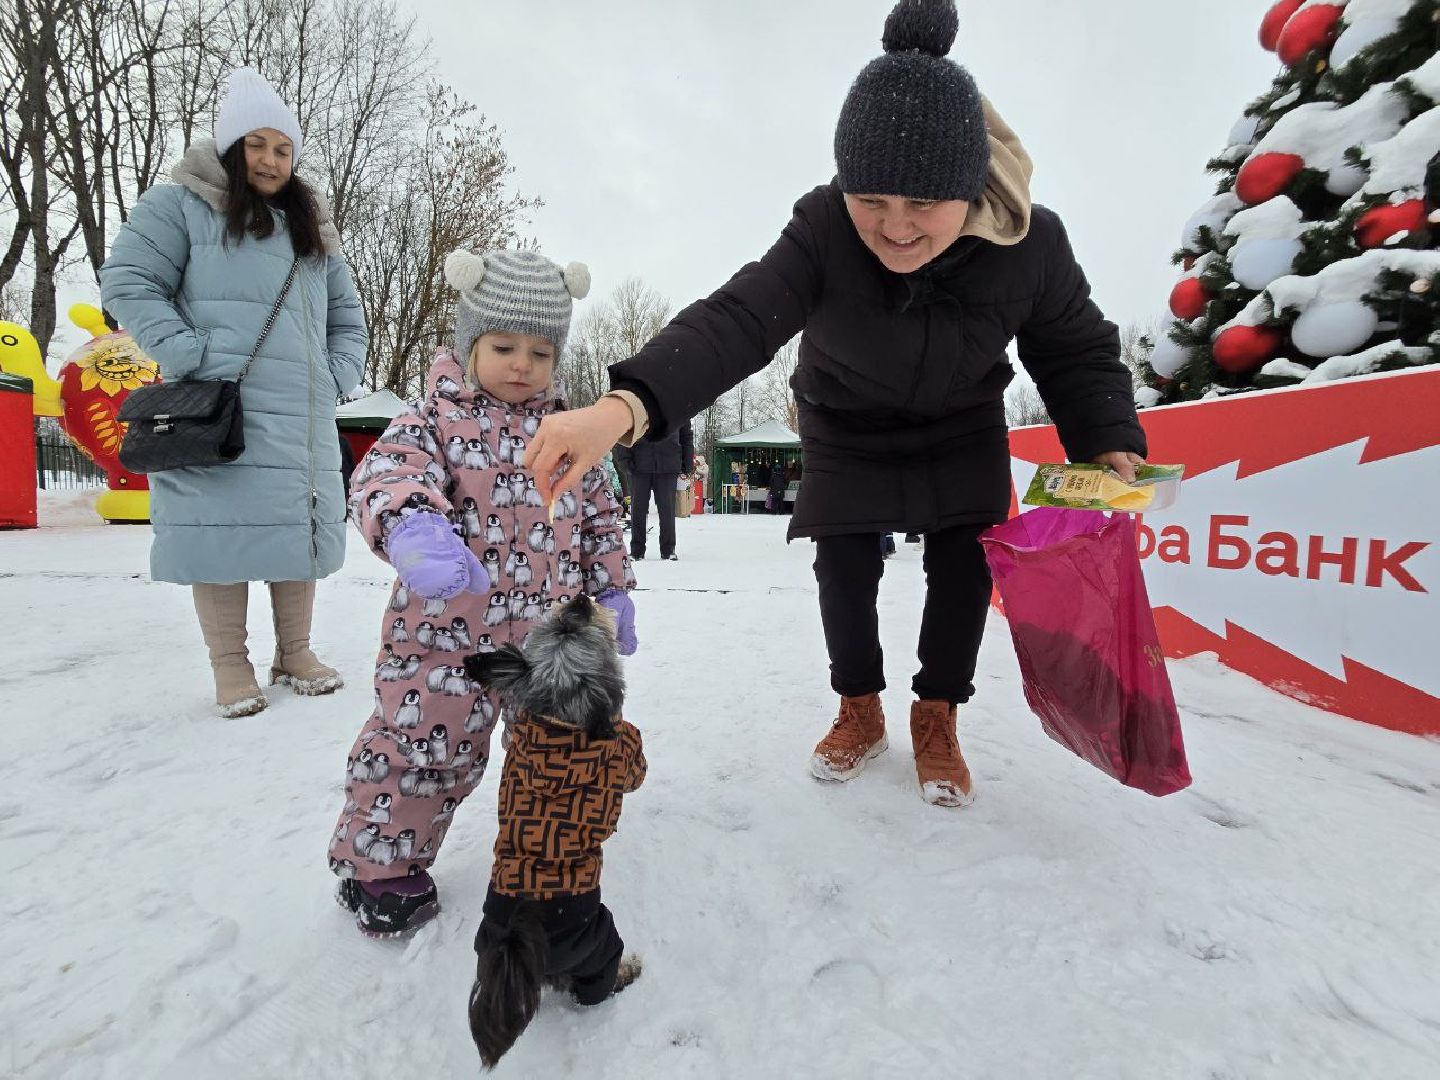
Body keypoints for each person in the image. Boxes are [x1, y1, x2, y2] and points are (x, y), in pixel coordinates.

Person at [525, 0, 1146, 808]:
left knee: (963, 565)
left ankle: (936, 713)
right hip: (846, 419)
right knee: (844, 564)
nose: (894, 228)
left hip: (961, 421)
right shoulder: (823, 227)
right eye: (872, 199)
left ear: (967, 188)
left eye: (922, 203)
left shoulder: (1030, 243)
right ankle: (859, 706)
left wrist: (1107, 439)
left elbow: (1074, 348)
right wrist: (624, 405)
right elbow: (740, 318)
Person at [328, 248, 637, 936]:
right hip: (442, 638)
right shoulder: (431, 418)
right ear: (469, 344)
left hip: (546, 646)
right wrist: (413, 531)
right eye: (503, 345)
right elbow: (388, 475)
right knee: (423, 745)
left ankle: (544, 860)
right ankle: (379, 865)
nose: (522, 364)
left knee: (553, 752)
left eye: (540, 351)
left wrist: (611, 591)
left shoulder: (571, 434)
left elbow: (600, 517)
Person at [101, 67, 367, 717]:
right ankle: (230, 665)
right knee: (220, 531)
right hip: (220, 406)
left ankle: (295, 651)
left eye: (283, 147)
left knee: (291, 527)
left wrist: (335, 375)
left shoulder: (313, 230)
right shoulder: (180, 206)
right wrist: (189, 353)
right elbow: (129, 283)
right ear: (230, 147)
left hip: (299, 413)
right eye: (257, 144)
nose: (271, 159)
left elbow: (348, 318)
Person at [614, 415, 693, 560]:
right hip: (638, 465)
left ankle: (668, 550)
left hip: (668, 465)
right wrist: (624, 461)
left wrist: (687, 464)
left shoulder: (677, 404)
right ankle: (637, 550)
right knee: (638, 510)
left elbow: (686, 435)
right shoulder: (638, 401)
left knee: (667, 510)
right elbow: (623, 432)